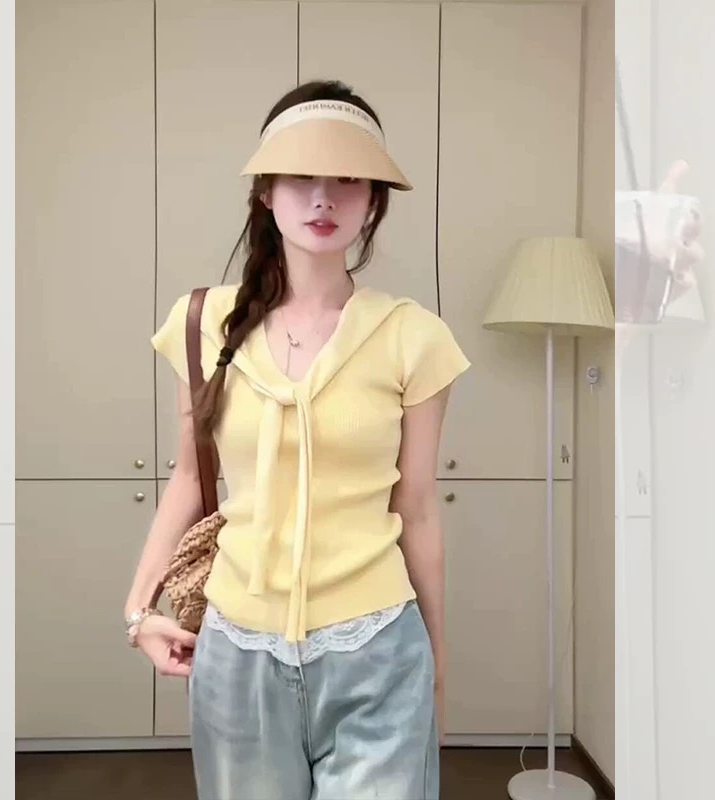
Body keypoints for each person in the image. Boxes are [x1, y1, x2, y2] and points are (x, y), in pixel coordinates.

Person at [122, 79, 470, 800]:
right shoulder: (203, 323)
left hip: (379, 650)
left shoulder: (414, 336)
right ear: (264, 191)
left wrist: (436, 667)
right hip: (236, 657)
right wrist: (139, 613)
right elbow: (187, 479)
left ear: (373, 201)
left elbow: (418, 509)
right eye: (301, 177)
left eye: (348, 179)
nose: (323, 198)